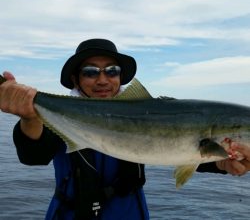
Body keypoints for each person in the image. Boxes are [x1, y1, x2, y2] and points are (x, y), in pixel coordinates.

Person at [1, 38, 250, 220]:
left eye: (112, 71)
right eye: (90, 72)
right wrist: (30, 116)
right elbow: (33, 155)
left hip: (130, 213)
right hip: (72, 214)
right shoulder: (61, 116)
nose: (102, 79)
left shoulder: (152, 112)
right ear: (77, 79)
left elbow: (185, 147)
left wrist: (223, 164)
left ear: (121, 77)